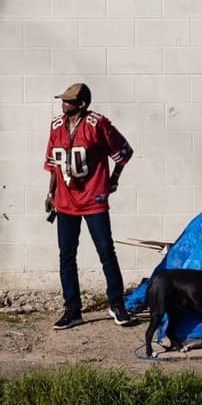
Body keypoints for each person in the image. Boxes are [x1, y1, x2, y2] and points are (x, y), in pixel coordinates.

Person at [43, 83, 134, 330]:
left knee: (106, 251)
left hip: (94, 199)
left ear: (82, 104)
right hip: (65, 200)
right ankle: (72, 310)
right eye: (63, 100)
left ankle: (117, 304)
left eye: (68, 101)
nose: (63, 104)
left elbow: (124, 152)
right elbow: (53, 164)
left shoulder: (98, 124)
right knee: (66, 255)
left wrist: (113, 179)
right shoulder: (56, 125)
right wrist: (50, 193)